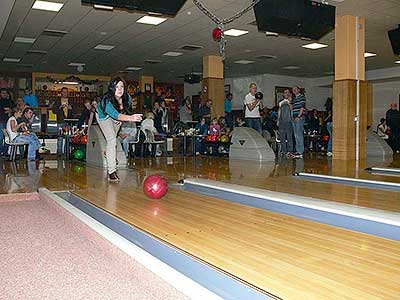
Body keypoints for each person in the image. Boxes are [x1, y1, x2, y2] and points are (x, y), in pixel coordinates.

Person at [97, 77, 142, 182]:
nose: (120, 89)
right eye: (116, 87)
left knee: (113, 142)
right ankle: (112, 172)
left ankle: (109, 154)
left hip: (116, 117)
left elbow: (123, 111)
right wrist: (131, 118)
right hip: (103, 117)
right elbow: (115, 114)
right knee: (112, 140)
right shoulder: (106, 100)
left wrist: (121, 117)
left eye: (122, 86)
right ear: (112, 88)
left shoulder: (127, 98)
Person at [51, 87, 73, 156]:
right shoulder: (57, 101)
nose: (65, 93)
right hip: (60, 121)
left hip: (69, 121)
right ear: (61, 93)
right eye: (63, 92)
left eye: (66, 92)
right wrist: (59, 108)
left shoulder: (71, 100)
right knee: (60, 137)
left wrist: (71, 108)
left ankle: (67, 153)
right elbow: (53, 111)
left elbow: (76, 110)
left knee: (68, 138)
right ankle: (59, 153)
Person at [277, 89, 293, 157]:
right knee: (282, 137)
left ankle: (289, 151)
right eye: (285, 92)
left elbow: (292, 110)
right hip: (281, 121)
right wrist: (278, 120)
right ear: (283, 94)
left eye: (287, 92)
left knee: (289, 136)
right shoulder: (280, 102)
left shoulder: (291, 101)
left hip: (289, 121)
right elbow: (279, 111)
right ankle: (284, 151)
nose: (286, 93)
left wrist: (290, 102)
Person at [292, 86, 306, 158]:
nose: (294, 90)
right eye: (293, 90)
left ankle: (300, 152)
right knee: (296, 135)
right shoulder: (295, 99)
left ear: (299, 90)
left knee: (299, 135)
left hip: (298, 118)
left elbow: (302, 107)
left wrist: (299, 116)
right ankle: (298, 151)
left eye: (295, 89)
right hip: (294, 118)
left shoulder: (301, 97)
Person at [0, 88, 14, 157]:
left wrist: (10, 110)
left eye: (5, 93)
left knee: (8, 137)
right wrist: (8, 110)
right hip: (1, 121)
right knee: (1, 137)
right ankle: (1, 152)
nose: (4, 94)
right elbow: (5, 110)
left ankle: (5, 153)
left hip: (9, 122)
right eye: (3, 93)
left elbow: (13, 109)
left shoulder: (10, 101)